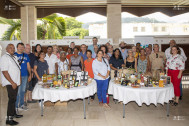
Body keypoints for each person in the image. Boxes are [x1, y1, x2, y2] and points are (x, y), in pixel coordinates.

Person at [0, 44, 23, 125]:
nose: (12, 49)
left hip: (15, 82)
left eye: (13, 48)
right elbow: (4, 71)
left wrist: (19, 78)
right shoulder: (4, 58)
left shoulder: (14, 57)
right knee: (12, 100)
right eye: (10, 48)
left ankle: (13, 114)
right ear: (6, 49)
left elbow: (17, 68)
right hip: (10, 83)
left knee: (14, 98)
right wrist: (12, 82)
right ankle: (9, 119)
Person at [15, 43, 31, 111]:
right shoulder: (14, 55)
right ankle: (16, 106)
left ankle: (21, 105)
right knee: (17, 91)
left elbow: (28, 66)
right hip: (17, 76)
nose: (21, 48)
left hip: (25, 76)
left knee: (23, 91)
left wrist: (30, 74)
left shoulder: (26, 55)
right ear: (17, 47)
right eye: (20, 47)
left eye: (22, 47)